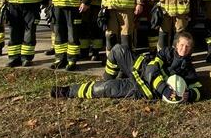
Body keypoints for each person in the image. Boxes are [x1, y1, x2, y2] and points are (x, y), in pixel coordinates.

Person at [51, 32, 202, 102]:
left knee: (106, 88)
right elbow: (151, 71)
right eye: (182, 45)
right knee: (118, 49)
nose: (184, 49)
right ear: (176, 45)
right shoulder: (165, 53)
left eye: (188, 47)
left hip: (141, 87)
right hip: (140, 70)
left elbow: (198, 88)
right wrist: (165, 88)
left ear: (191, 49)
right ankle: (107, 77)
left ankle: (68, 91)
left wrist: (191, 95)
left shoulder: (188, 68)